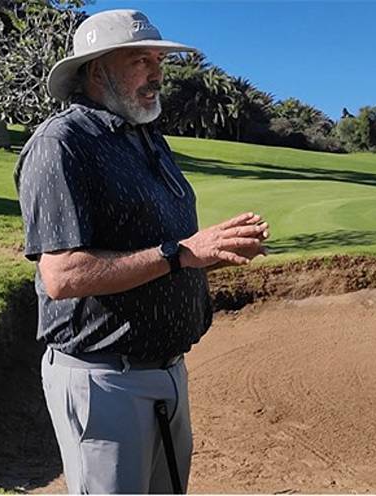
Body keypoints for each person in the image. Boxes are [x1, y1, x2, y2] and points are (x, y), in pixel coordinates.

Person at [15, 9, 269, 493]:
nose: (156, 74)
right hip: (104, 381)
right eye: (139, 60)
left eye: (159, 60)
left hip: (167, 372)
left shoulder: (147, 139)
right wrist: (181, 253)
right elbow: (63, 276)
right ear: (96, 70)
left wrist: (207, 253)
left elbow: (164, 250)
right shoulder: (62, 144)